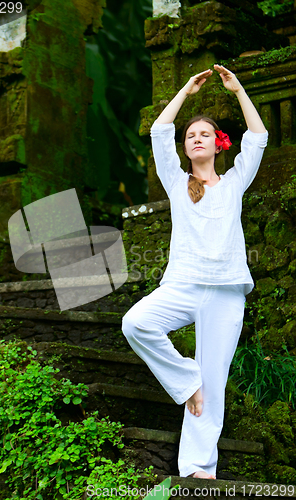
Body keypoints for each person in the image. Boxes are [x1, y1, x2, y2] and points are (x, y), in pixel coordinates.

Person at [122, 65, 268, 479]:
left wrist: (238, 90)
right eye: (191, 136)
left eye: (204, 134)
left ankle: (197, 468)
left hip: (225, 294)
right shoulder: (175, 181)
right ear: (186, 149)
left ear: (218, 145)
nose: (197, 138)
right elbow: (157, 131)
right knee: (135, 323)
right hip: (183, 286)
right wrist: (185, 92)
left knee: (215, 384)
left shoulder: (235, 182)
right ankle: (187, 380)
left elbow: (258, 139)